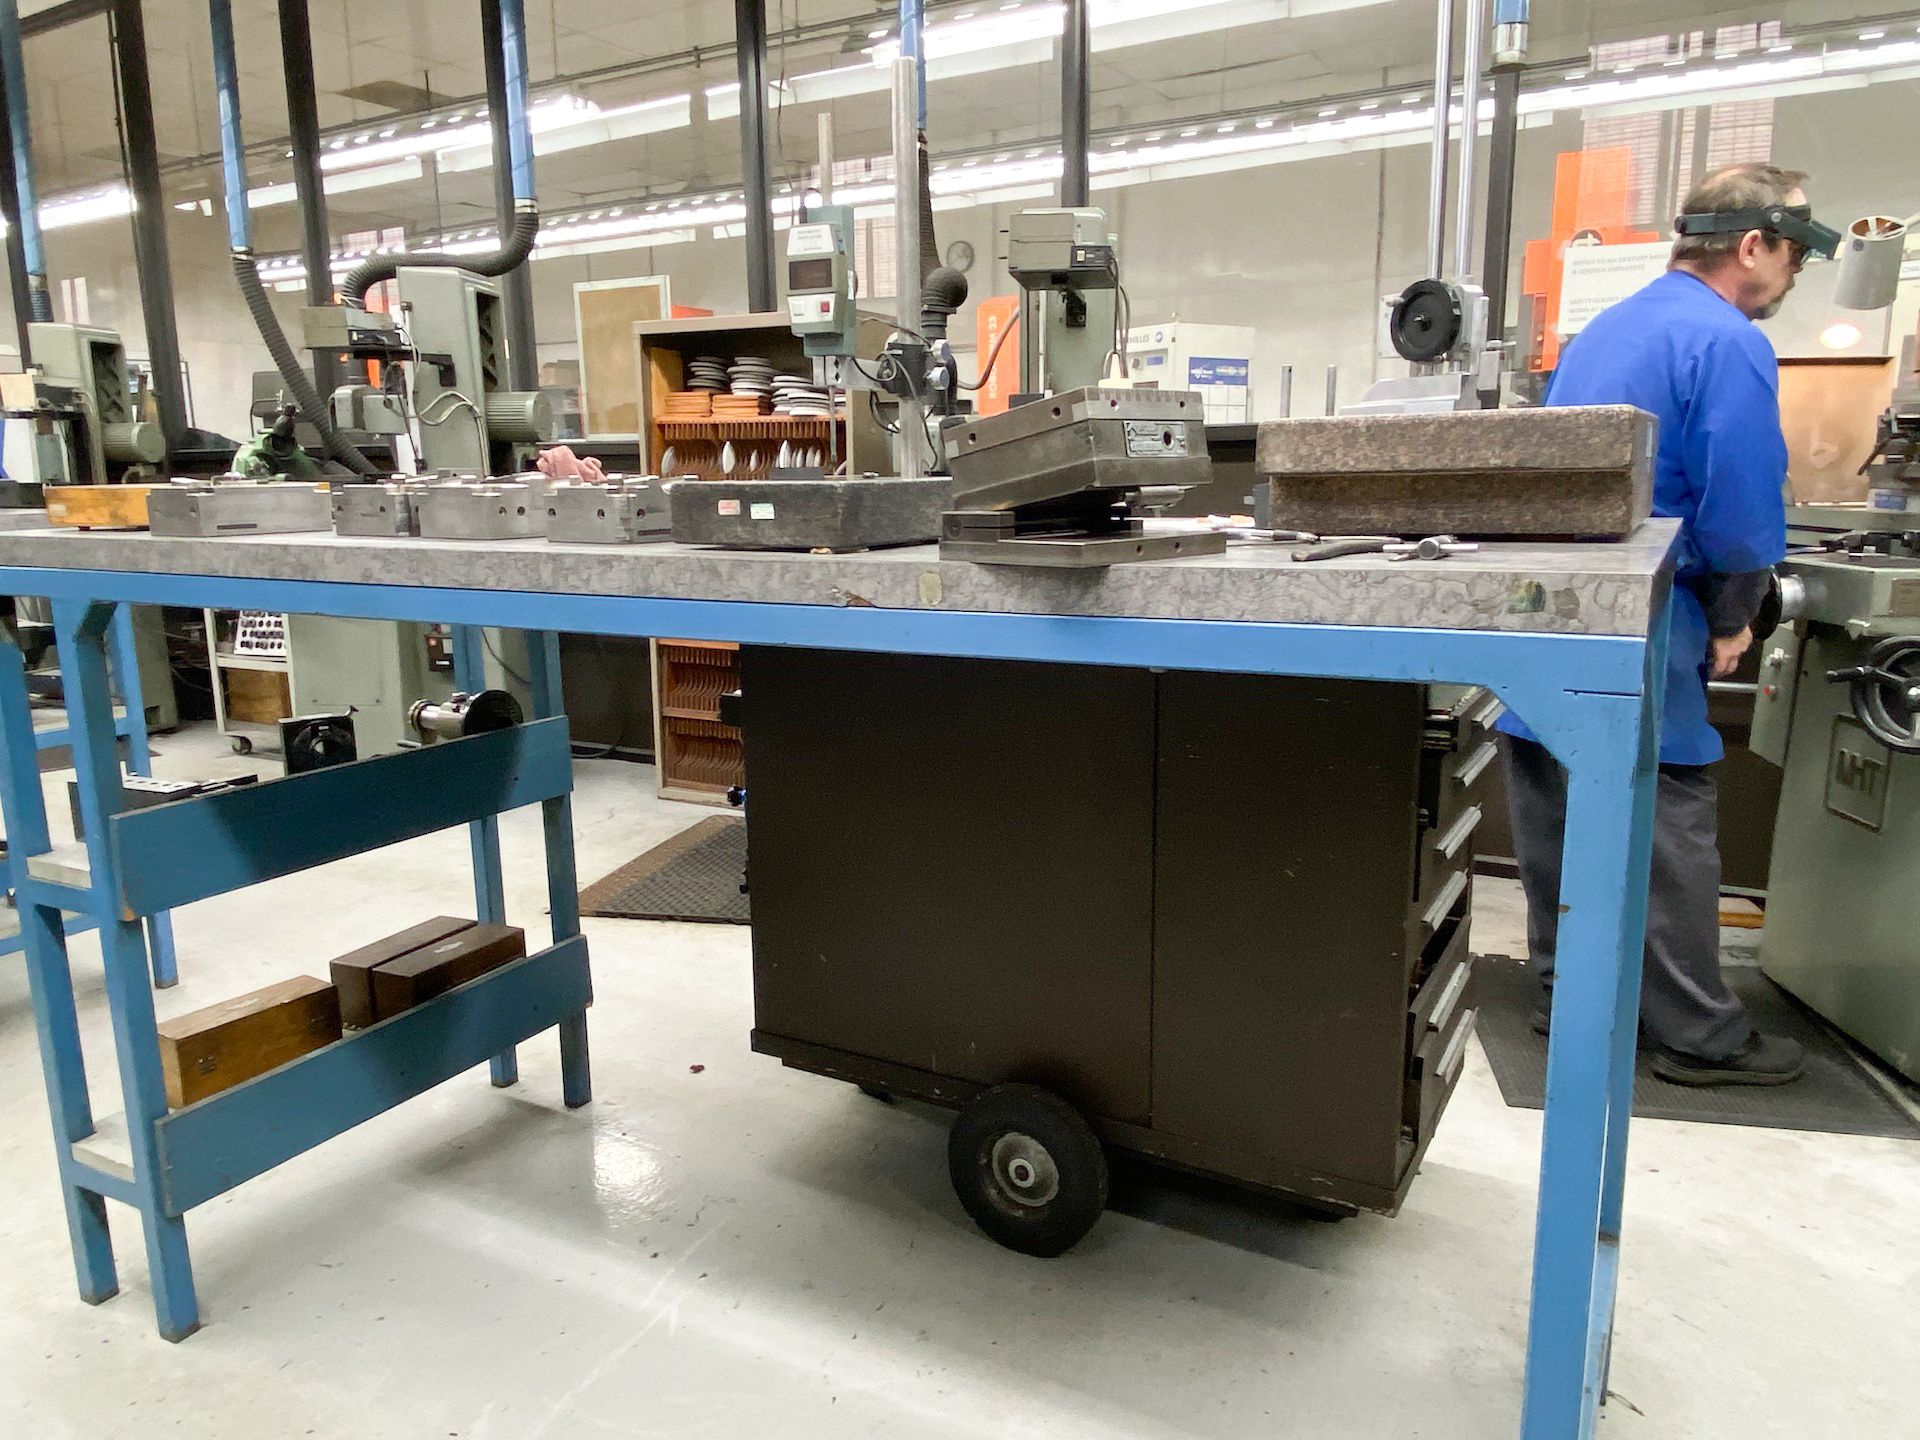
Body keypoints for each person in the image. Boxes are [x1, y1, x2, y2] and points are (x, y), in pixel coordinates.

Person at [1498, 161, 1823, 1087]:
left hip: (1560, 611)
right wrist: (1735, 612)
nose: (1793, 274)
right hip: (1651, 618)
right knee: (1666, 819)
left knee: (1559, 802)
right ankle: (1696, 1033)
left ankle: (1570, 998)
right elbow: (1741, 505)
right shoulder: (1723, 341)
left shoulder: (1605, 328)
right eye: (1794, 253)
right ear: (1753, 245)